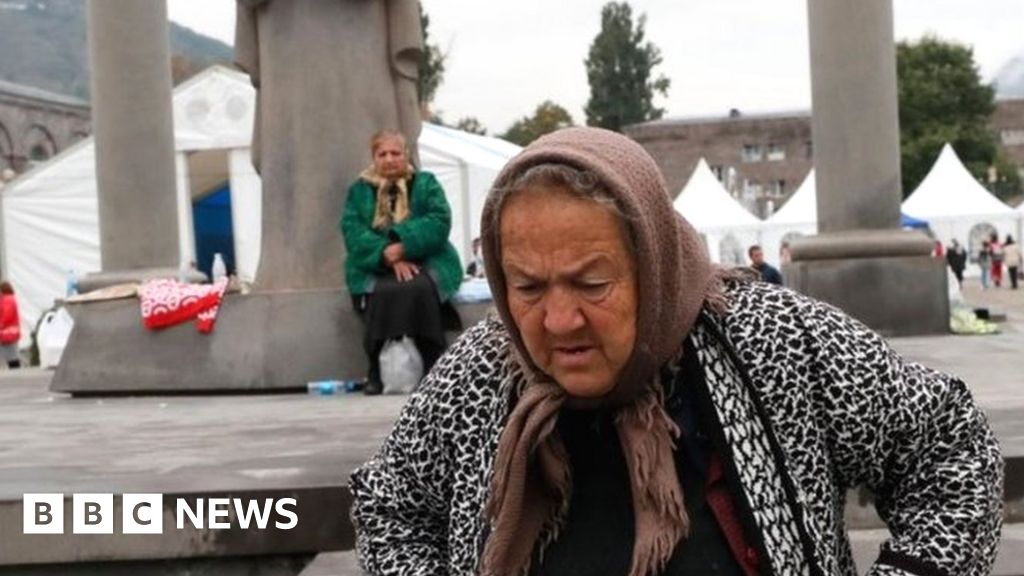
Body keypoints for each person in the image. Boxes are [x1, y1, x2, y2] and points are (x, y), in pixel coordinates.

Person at [350, 128, 1002, 576]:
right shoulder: (482, 371)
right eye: (527, 286)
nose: (558, 319)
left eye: (592, 282)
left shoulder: (774, 341)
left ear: (653, 263)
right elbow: (392, 503)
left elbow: (946, 443)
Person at [235, 0, 422, 290]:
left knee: (364, 142)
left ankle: (375, 265)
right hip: (286, 36)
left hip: (363, 36)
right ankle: (297, 269)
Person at [340, 130, 462, 395]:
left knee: (418, 287)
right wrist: (387, 254)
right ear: (374, 158)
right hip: (375, 263)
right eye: (382, 154)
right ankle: (375, 369)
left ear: (406, 155)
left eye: (395, 153)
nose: (389, 159)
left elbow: (439, 219)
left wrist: (404, 245)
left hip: (427, 259)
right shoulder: (359, 190)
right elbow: (352, 230)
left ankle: (433, 363)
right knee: (383, 291)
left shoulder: (425, 183)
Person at [0, 282, 20, 369]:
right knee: (11, 354)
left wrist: (1, 324)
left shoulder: (7, 300)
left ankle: (16, 372)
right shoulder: (10, 299)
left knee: (11, 354)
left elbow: (7, 315)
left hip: (7, 331)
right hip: (10, 331)